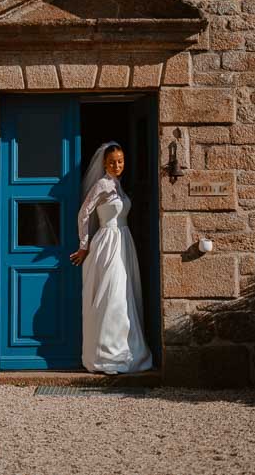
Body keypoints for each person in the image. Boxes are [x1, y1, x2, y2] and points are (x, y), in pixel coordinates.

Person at [70, 141, 154, 375]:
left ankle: (126, 349)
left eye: (120, 161)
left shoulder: (118, 185)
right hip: (108, 243)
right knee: (113, 294)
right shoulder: (103, 184)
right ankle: (107, 354)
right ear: (104, 164)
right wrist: (84, 245)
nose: (117, 165)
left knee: (125, 294)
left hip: (124, 241)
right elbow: (84, 213)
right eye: (112, 162)